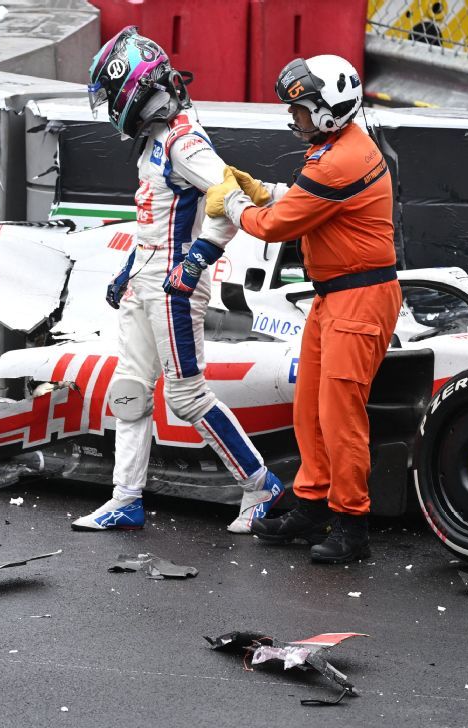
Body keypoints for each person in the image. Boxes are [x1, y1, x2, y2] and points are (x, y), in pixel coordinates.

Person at [71, 27, 285, 533]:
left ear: (135, 92)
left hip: (173, 287)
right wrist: (126, 272)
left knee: (186, 396)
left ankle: (261, 485)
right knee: (130, 389)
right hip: (147, 278)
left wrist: (196, 262)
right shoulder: (158, 139)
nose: (109, 110)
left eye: (112, 97)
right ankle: (125, 499)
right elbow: (153, 219)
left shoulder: (185, 141)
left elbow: (230, 199)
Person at [204, 54, 402, 563]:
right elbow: (303, 201)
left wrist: (231, 202)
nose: (295, 119)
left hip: (358, 299)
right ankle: (312, 503)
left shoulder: (339, 159)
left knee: (340, 417)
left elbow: (274, 227)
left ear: (330, 110)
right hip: (336, 296)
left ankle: (352, 525)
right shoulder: (337, 148)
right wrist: (260, 191)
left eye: (302, 110)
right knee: (311, 407)